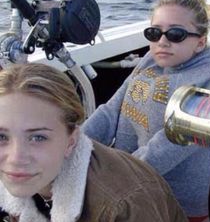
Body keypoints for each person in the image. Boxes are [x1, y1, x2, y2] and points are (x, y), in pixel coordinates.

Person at [82, 0, 210, 222]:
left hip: (172, 204)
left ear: (200, 43)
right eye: (154, 33)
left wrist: (111, 177)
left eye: (176, 34)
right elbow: (110, 111)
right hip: (129, 183)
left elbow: (168, 146)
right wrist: (73, 146)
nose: (163, 41)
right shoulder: (150, 60)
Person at [0, 63, 187, 222]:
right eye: (1, 137)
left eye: (38, 137)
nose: (15, 158)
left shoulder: (123, 206)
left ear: (71, 141)